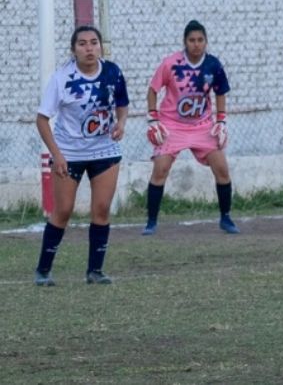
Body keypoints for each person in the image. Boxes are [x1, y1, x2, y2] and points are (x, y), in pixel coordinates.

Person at [34, 26, 129, 286]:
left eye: (94, 42)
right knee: (63, 211)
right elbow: (42, 120)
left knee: (101, 209)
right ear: (73, 49)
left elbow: (122, 103)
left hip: (105, 150)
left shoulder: (112, 72)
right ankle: (43, 270)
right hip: (70, 153)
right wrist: (57, 155)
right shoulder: (62, 78)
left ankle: (95, 272)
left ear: (100, 46)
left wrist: (121, 123)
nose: (89, 48)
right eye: (83, 44)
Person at [142, 20, 240, 236]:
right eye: (192, 40)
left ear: (206, 42)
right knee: (160, 169)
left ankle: (226, 218)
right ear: (185, 42)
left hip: (202, 125)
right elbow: (152, 90)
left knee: (222, 168)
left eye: (200, 40)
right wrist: (153, 119)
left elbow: (220, 92)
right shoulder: (171, 63)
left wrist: (221, 121)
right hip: (172, 125)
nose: (196, 44)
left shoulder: (213, 65)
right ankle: (151, 221)